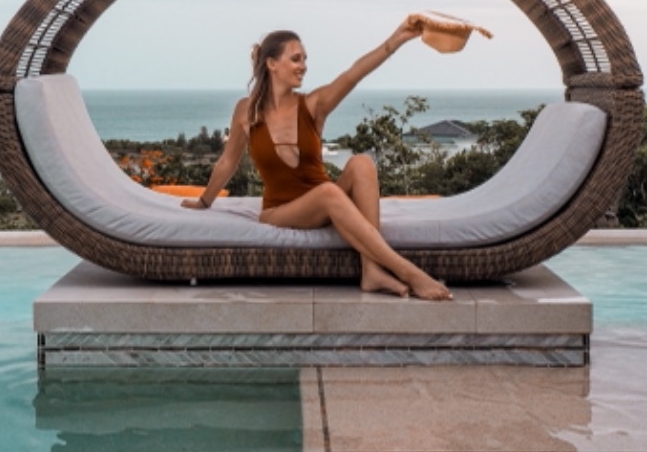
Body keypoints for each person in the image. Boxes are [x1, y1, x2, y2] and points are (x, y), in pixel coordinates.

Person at [181, 18, 452, 300]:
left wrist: (397, 39)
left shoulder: (312, 104)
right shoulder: (246, 111)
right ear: (271, 64)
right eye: (295, 59)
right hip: (281, 210)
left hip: (324, 202)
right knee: (328, 192)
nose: (304, 66)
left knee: (361, 163)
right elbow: (227, 162)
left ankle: (371, 270)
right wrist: (204, 201)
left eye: (305, 59)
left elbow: (354, 74)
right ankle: (410, 273)